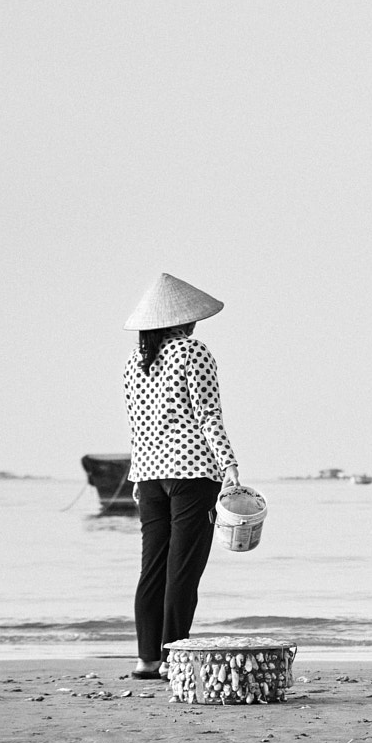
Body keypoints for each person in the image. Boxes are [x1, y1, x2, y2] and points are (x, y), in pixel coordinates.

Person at [121, 273, 239, 681]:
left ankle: (146, 658)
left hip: (149, 475)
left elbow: (138, 426)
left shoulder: (133, 362)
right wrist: (230, 466)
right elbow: (208, 416)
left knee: (152, 567)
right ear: (186, 320)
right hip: (192, 471)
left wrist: (137, 478)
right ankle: (174, 657)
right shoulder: (193, 351)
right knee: (182, 570)